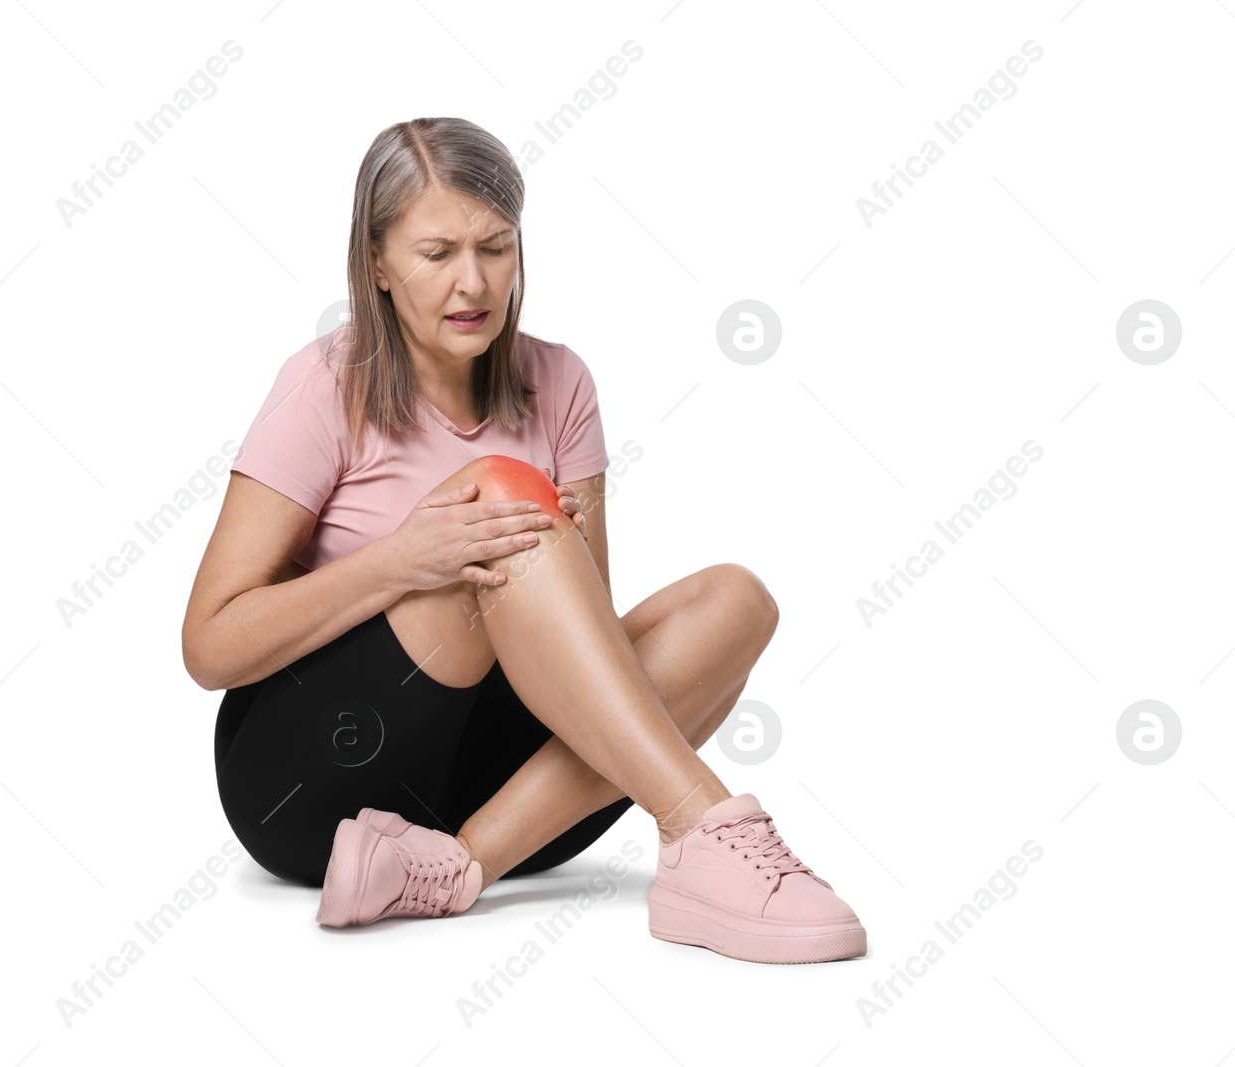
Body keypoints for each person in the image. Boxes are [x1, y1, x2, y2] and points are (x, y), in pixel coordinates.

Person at [181, 116, 867, 964]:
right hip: (314, 785)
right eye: (436, 254)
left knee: (738, 601)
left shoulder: (562, 382)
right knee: (501, 492)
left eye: (495, 248)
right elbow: (209, 646)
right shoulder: (325, 384)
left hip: (504, 796)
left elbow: (595, 660)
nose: (473, 283)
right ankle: (704, 829)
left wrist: (555, 558)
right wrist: (402, 561)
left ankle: (458, 866)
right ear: (378, 265)